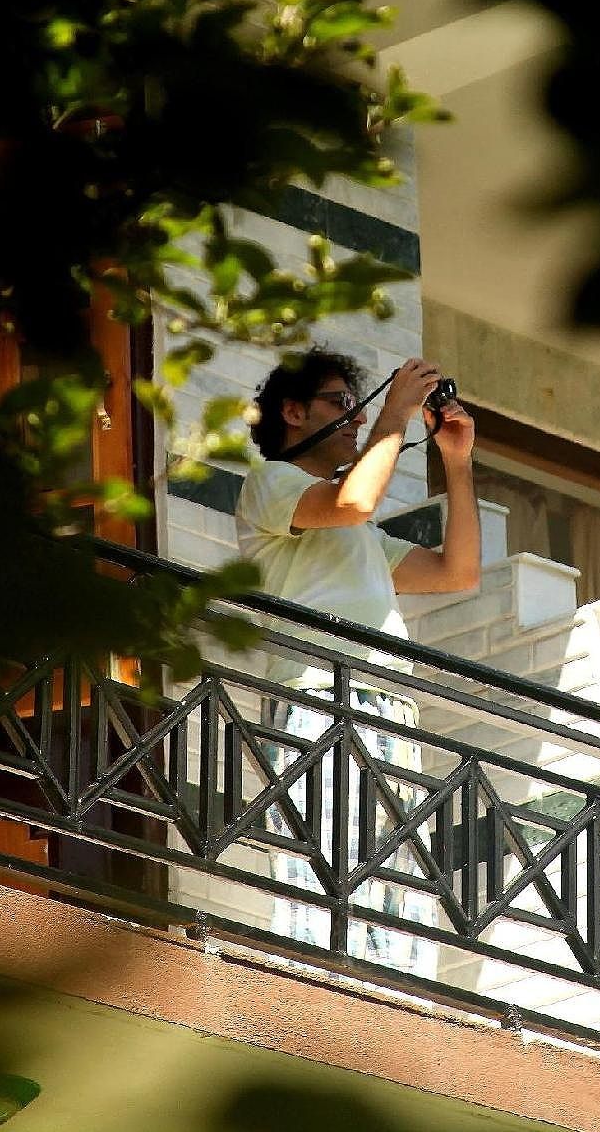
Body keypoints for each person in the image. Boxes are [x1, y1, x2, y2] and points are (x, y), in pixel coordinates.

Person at [233, 349, 481, 979]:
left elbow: (457, 572)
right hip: (319, 693)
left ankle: (395, 992)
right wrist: (396, 410)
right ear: (293, 412)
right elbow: (353, 501)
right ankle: (315, 986)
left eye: (357, 405)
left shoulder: (361, 536)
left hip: (384, 703)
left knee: (392, 873)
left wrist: (456, 463)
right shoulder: (270, 482)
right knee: (326, 858)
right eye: (341, 403)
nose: (355, 417)